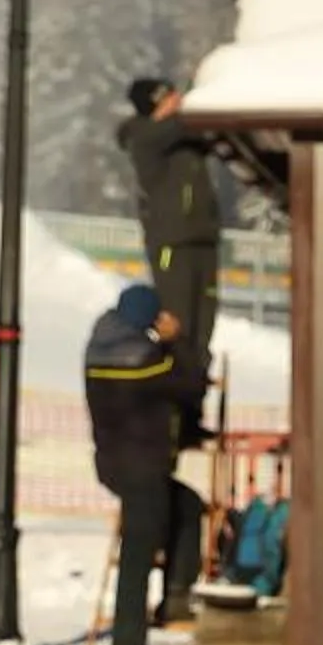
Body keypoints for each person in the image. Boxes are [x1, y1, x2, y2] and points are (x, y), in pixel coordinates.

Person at [82, 283, 207, 645]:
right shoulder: (145, 361)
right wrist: (176, 341)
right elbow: (191, 384)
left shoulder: (98, 351)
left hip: (114, 464)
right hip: (144, 467)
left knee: (186, 505)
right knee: (138, 552)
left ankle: (175, 595)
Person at [117, 77, 223, 430]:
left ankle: (191, 411)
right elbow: (183, 125)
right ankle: (171, 413)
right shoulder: (146, 137)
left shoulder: (184, 139)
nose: (177, 101)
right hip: (172, 244)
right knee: (177, 326)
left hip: (201, 240)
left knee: (202, 329)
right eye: (168, 98)